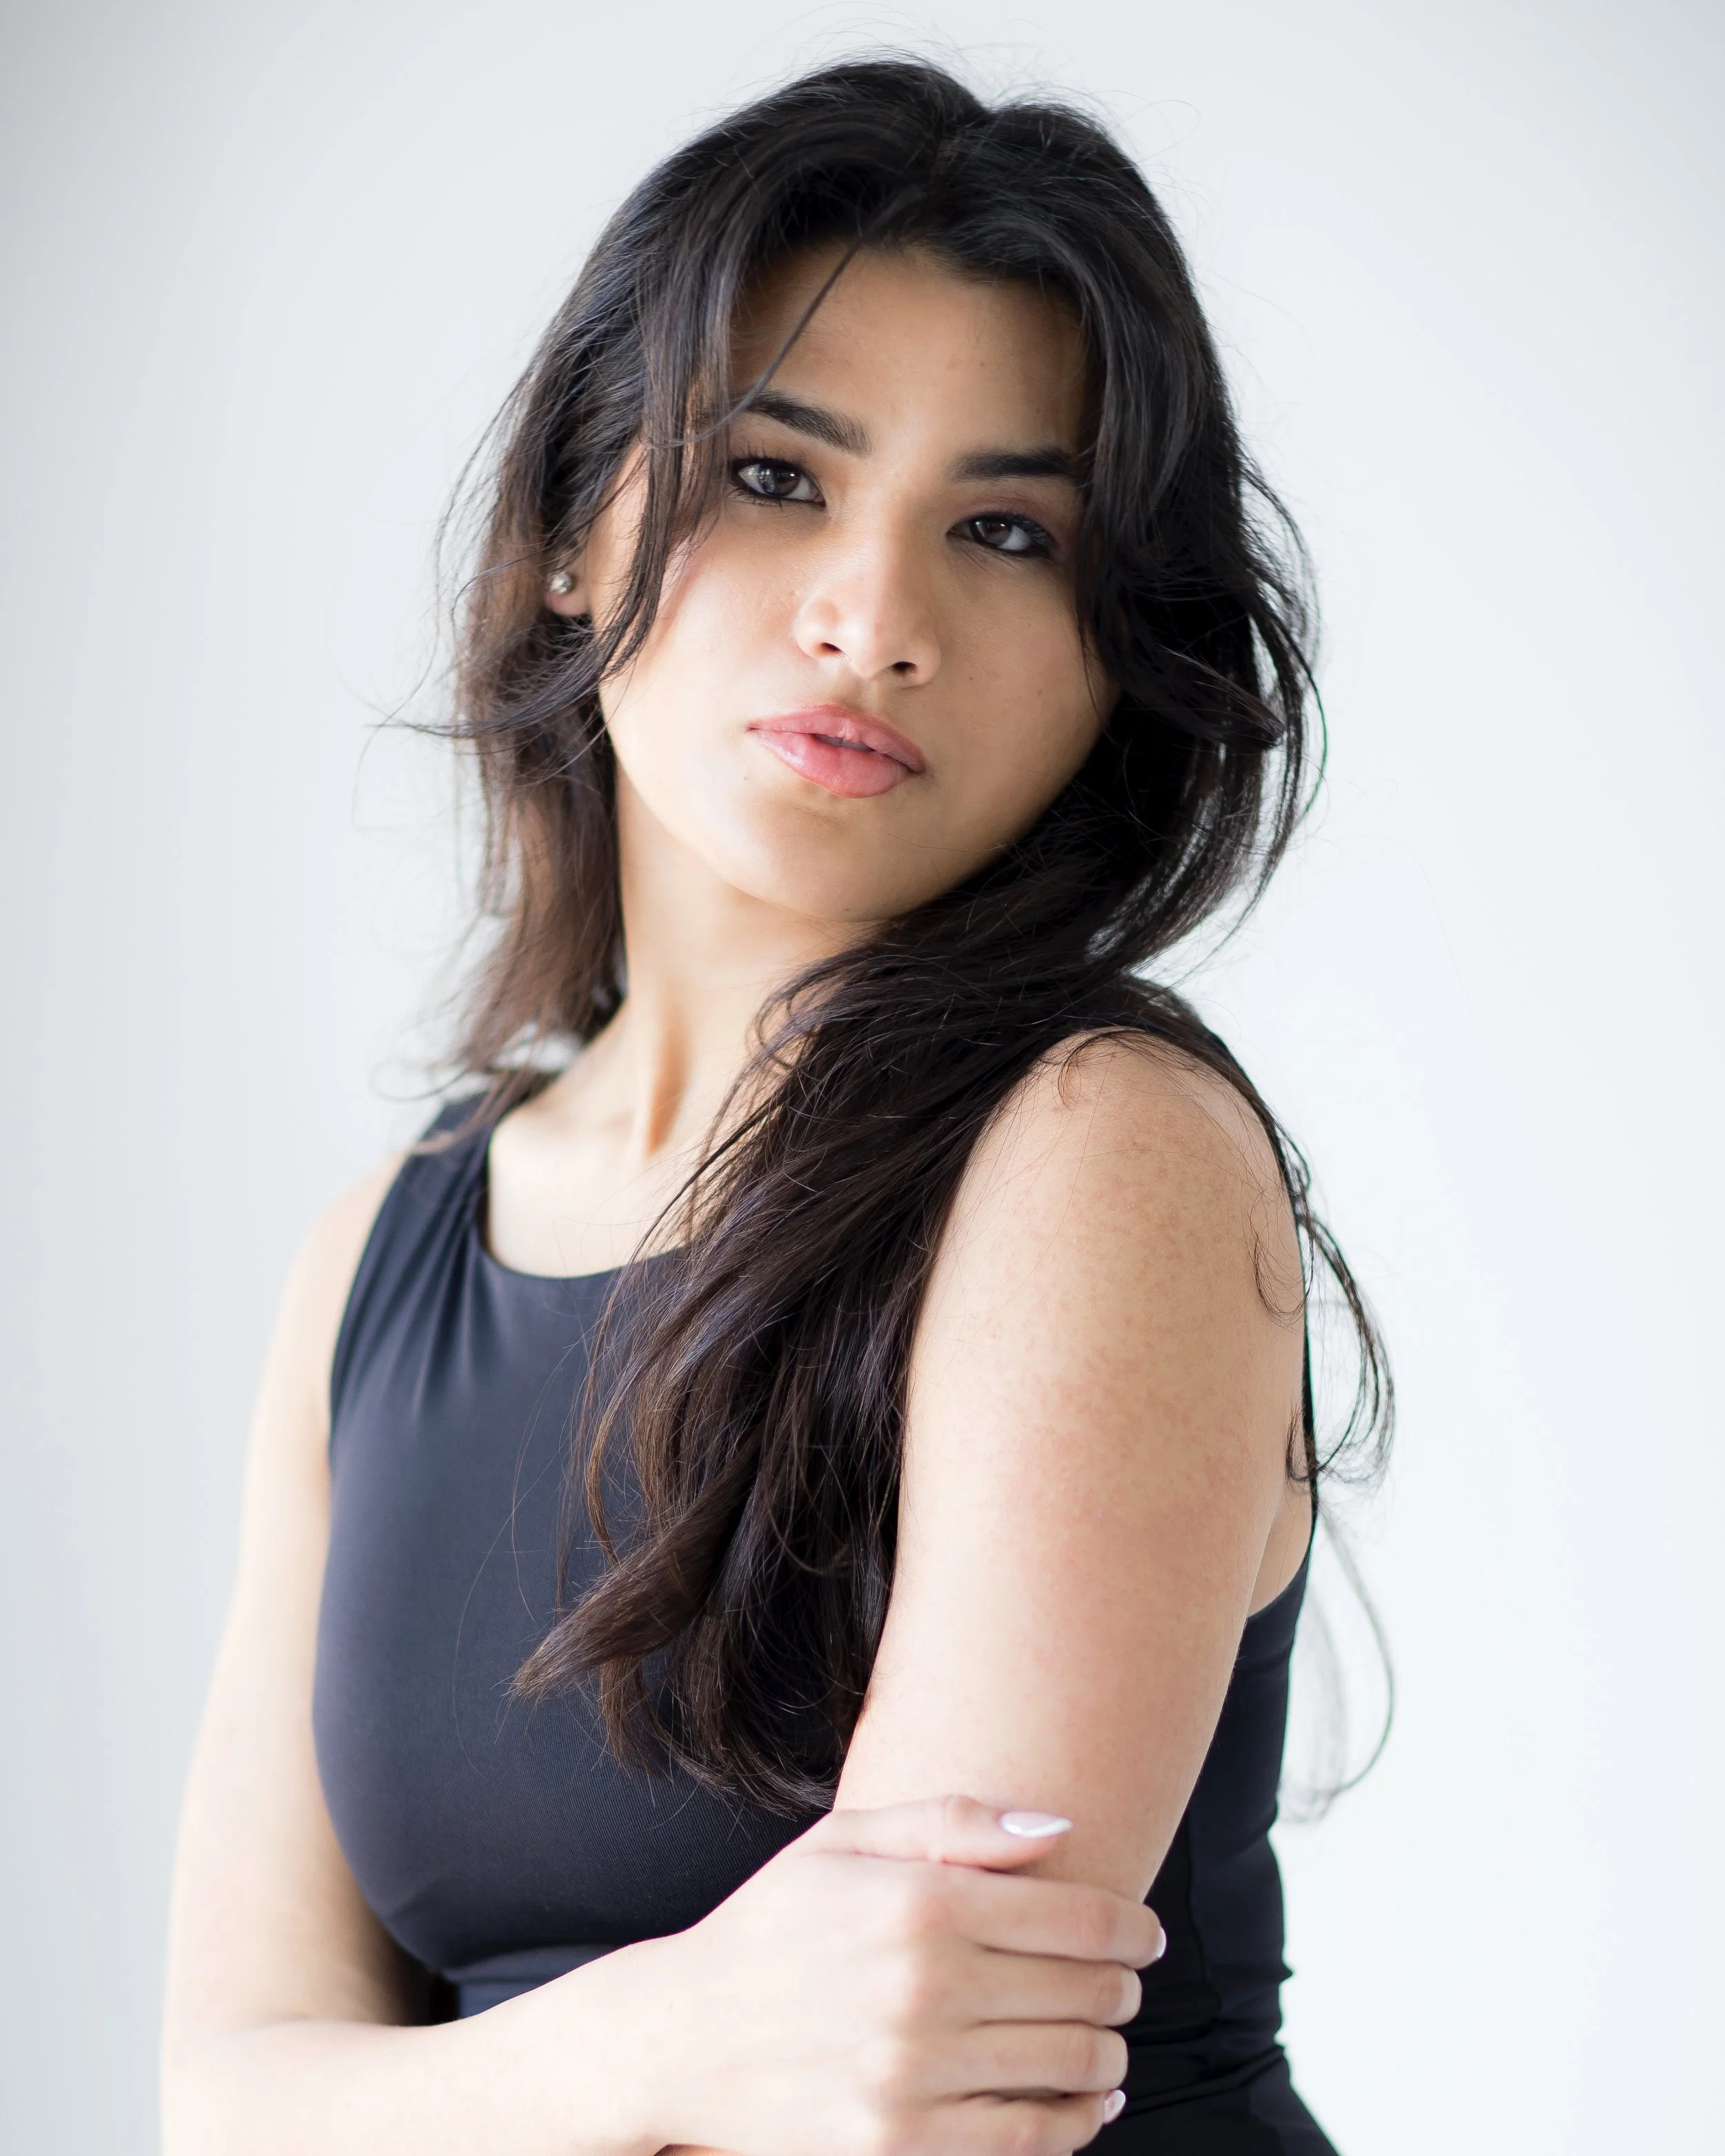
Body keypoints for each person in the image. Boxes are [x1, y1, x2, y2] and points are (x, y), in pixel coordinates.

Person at [161, 57, 1388, 2156]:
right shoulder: (385, 1250)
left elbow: (905, 2114)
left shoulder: (1096, 1149)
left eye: (1004, 532)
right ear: (575, 531)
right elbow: (222, 2098)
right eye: (773, 475)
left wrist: (430, 2100)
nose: (874, 622)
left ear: (1116, 650)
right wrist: (675, 2039)